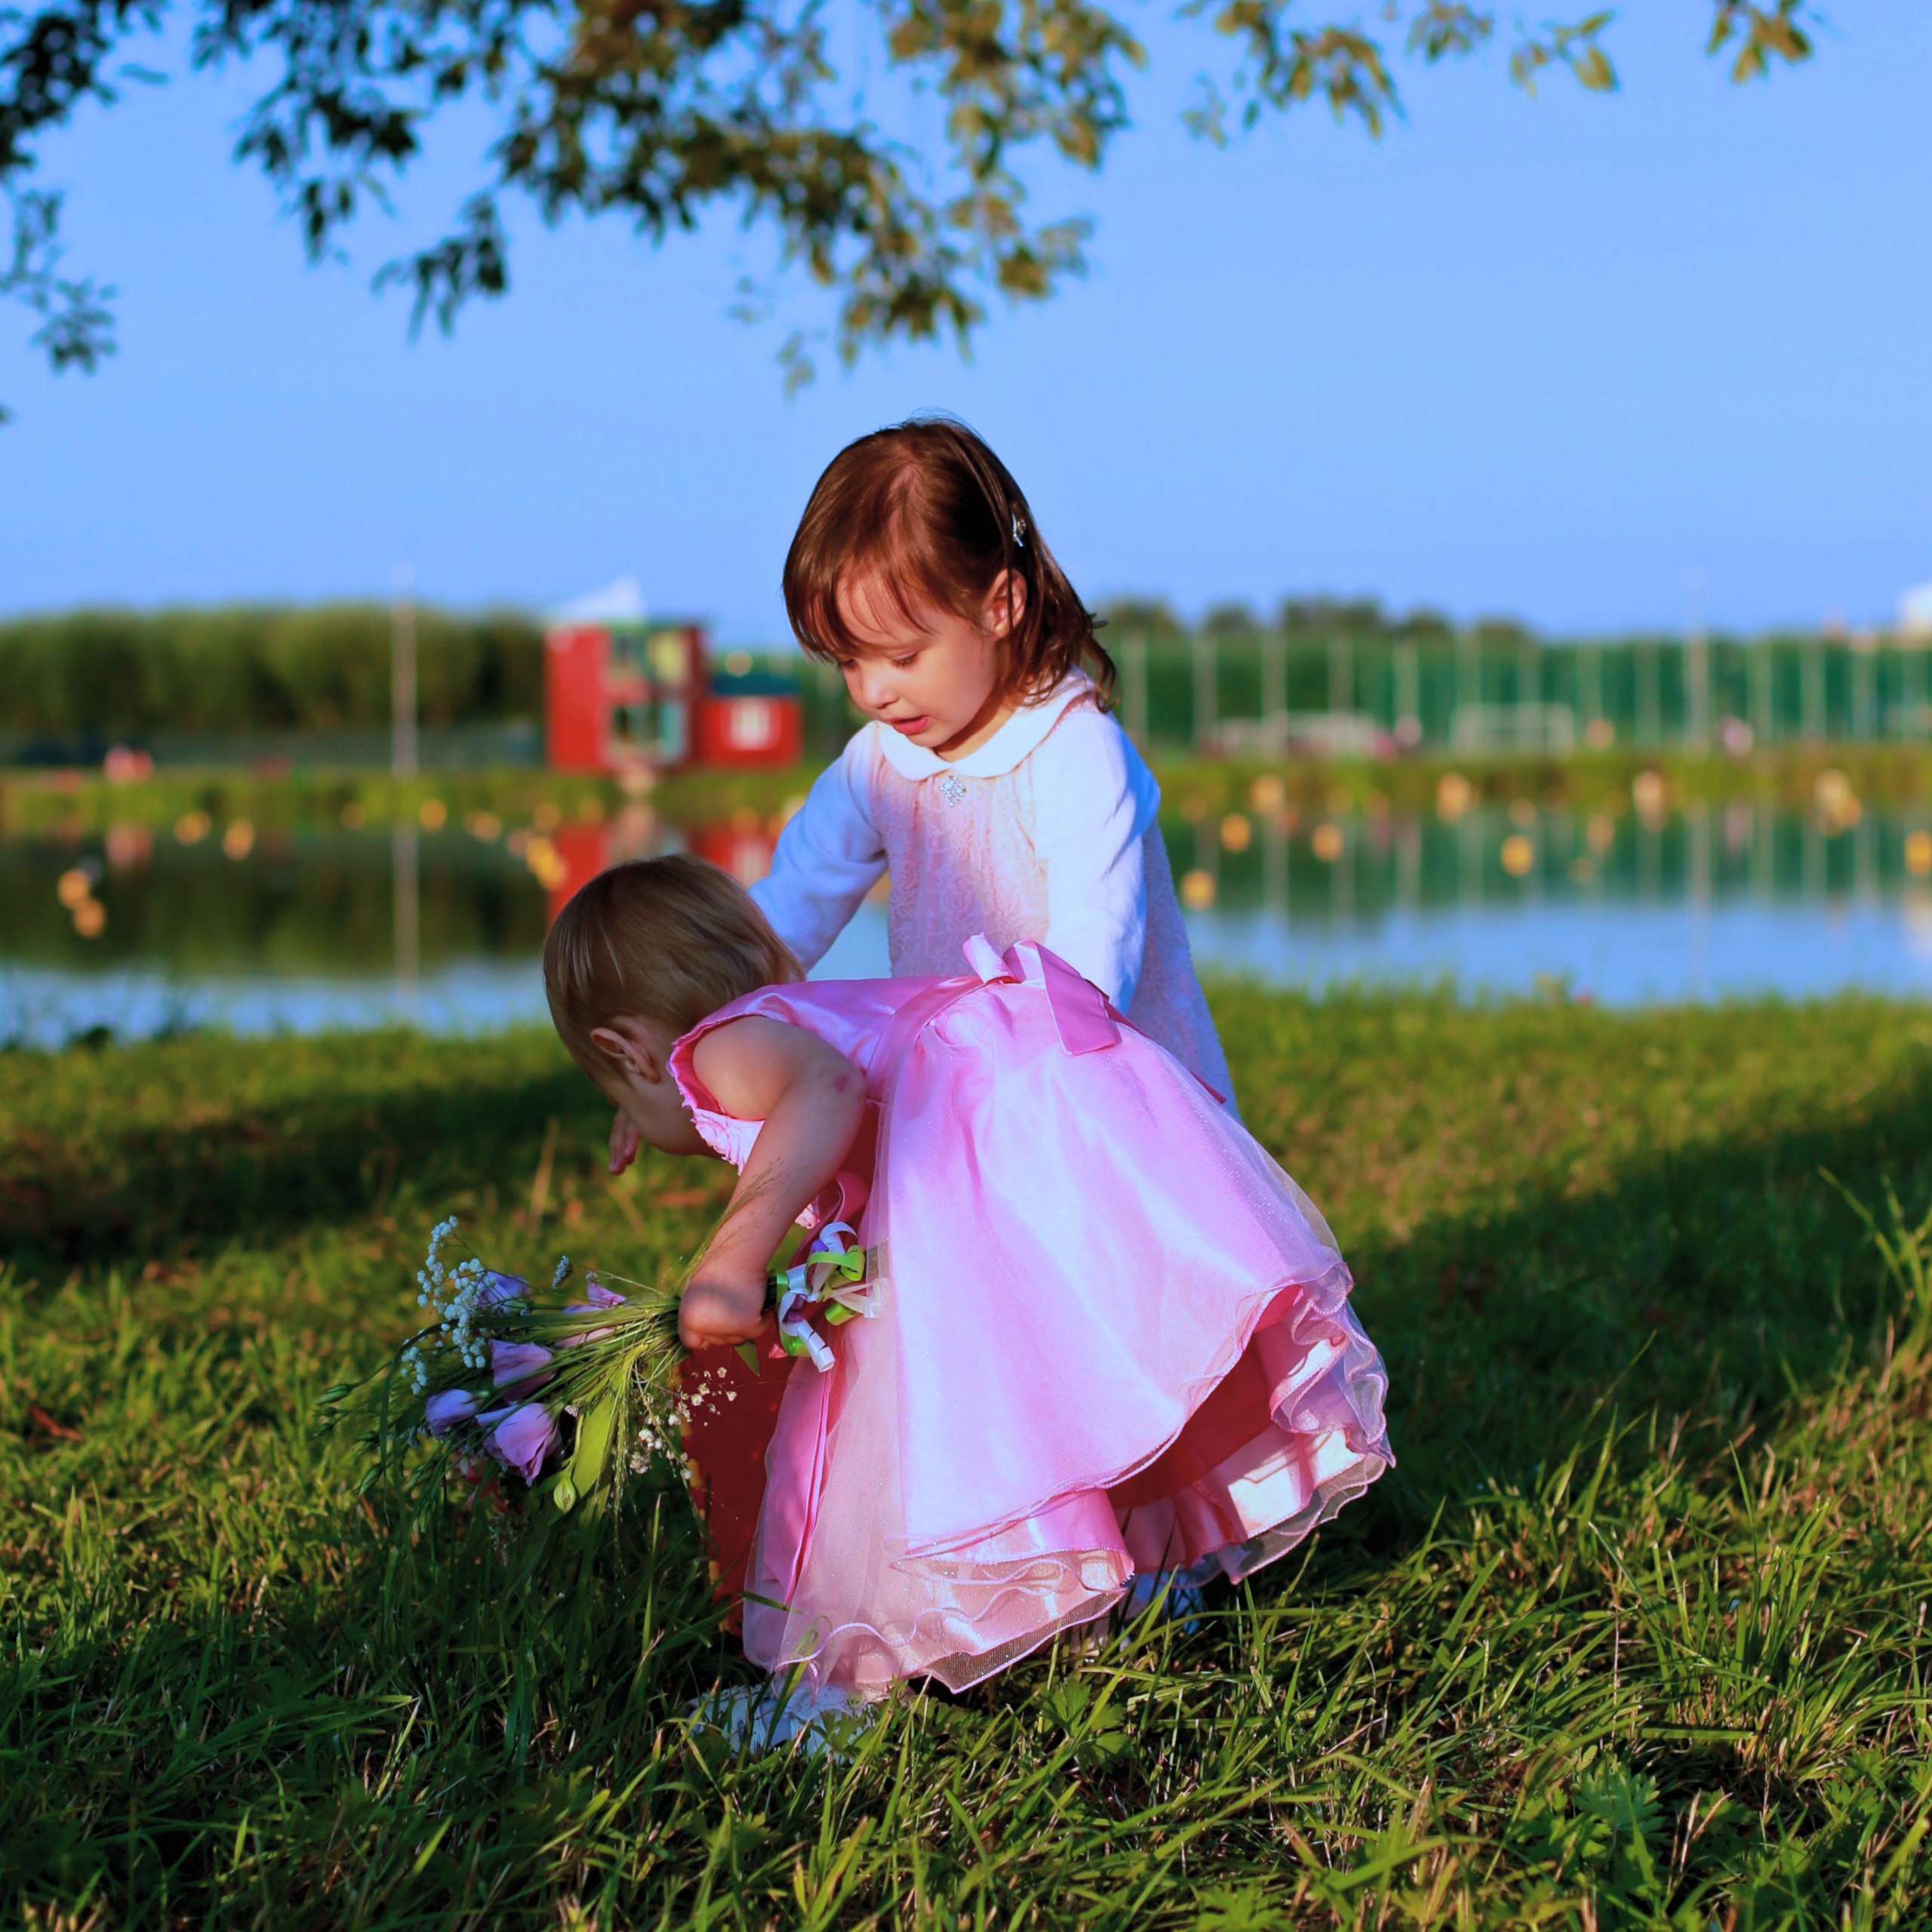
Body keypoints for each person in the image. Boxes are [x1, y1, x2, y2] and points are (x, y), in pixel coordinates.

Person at [545, 854, 1391, 1717]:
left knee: (845, 1449)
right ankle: (1129, 1587)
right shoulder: (762, 1022)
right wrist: (646, 1106)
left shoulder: (716, 1049)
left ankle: (839, 1687)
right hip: (1040, 1107)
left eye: (610, 1081)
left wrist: (730, 1255)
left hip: (982, 1143)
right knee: (1057, 1386)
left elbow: (822, 1089)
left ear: (628, 1049)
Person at [608, 414, 1235, 1185]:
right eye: (847, 660)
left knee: (1120, 1292)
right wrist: (699, 1044)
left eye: (903, 655)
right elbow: (785, 912)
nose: (873, 690)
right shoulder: (879, 764)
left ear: (999, 604)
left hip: (1102, 1093)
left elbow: (1094, 950)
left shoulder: (1072, 748)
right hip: (965, 1097)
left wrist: (1015, 1070)